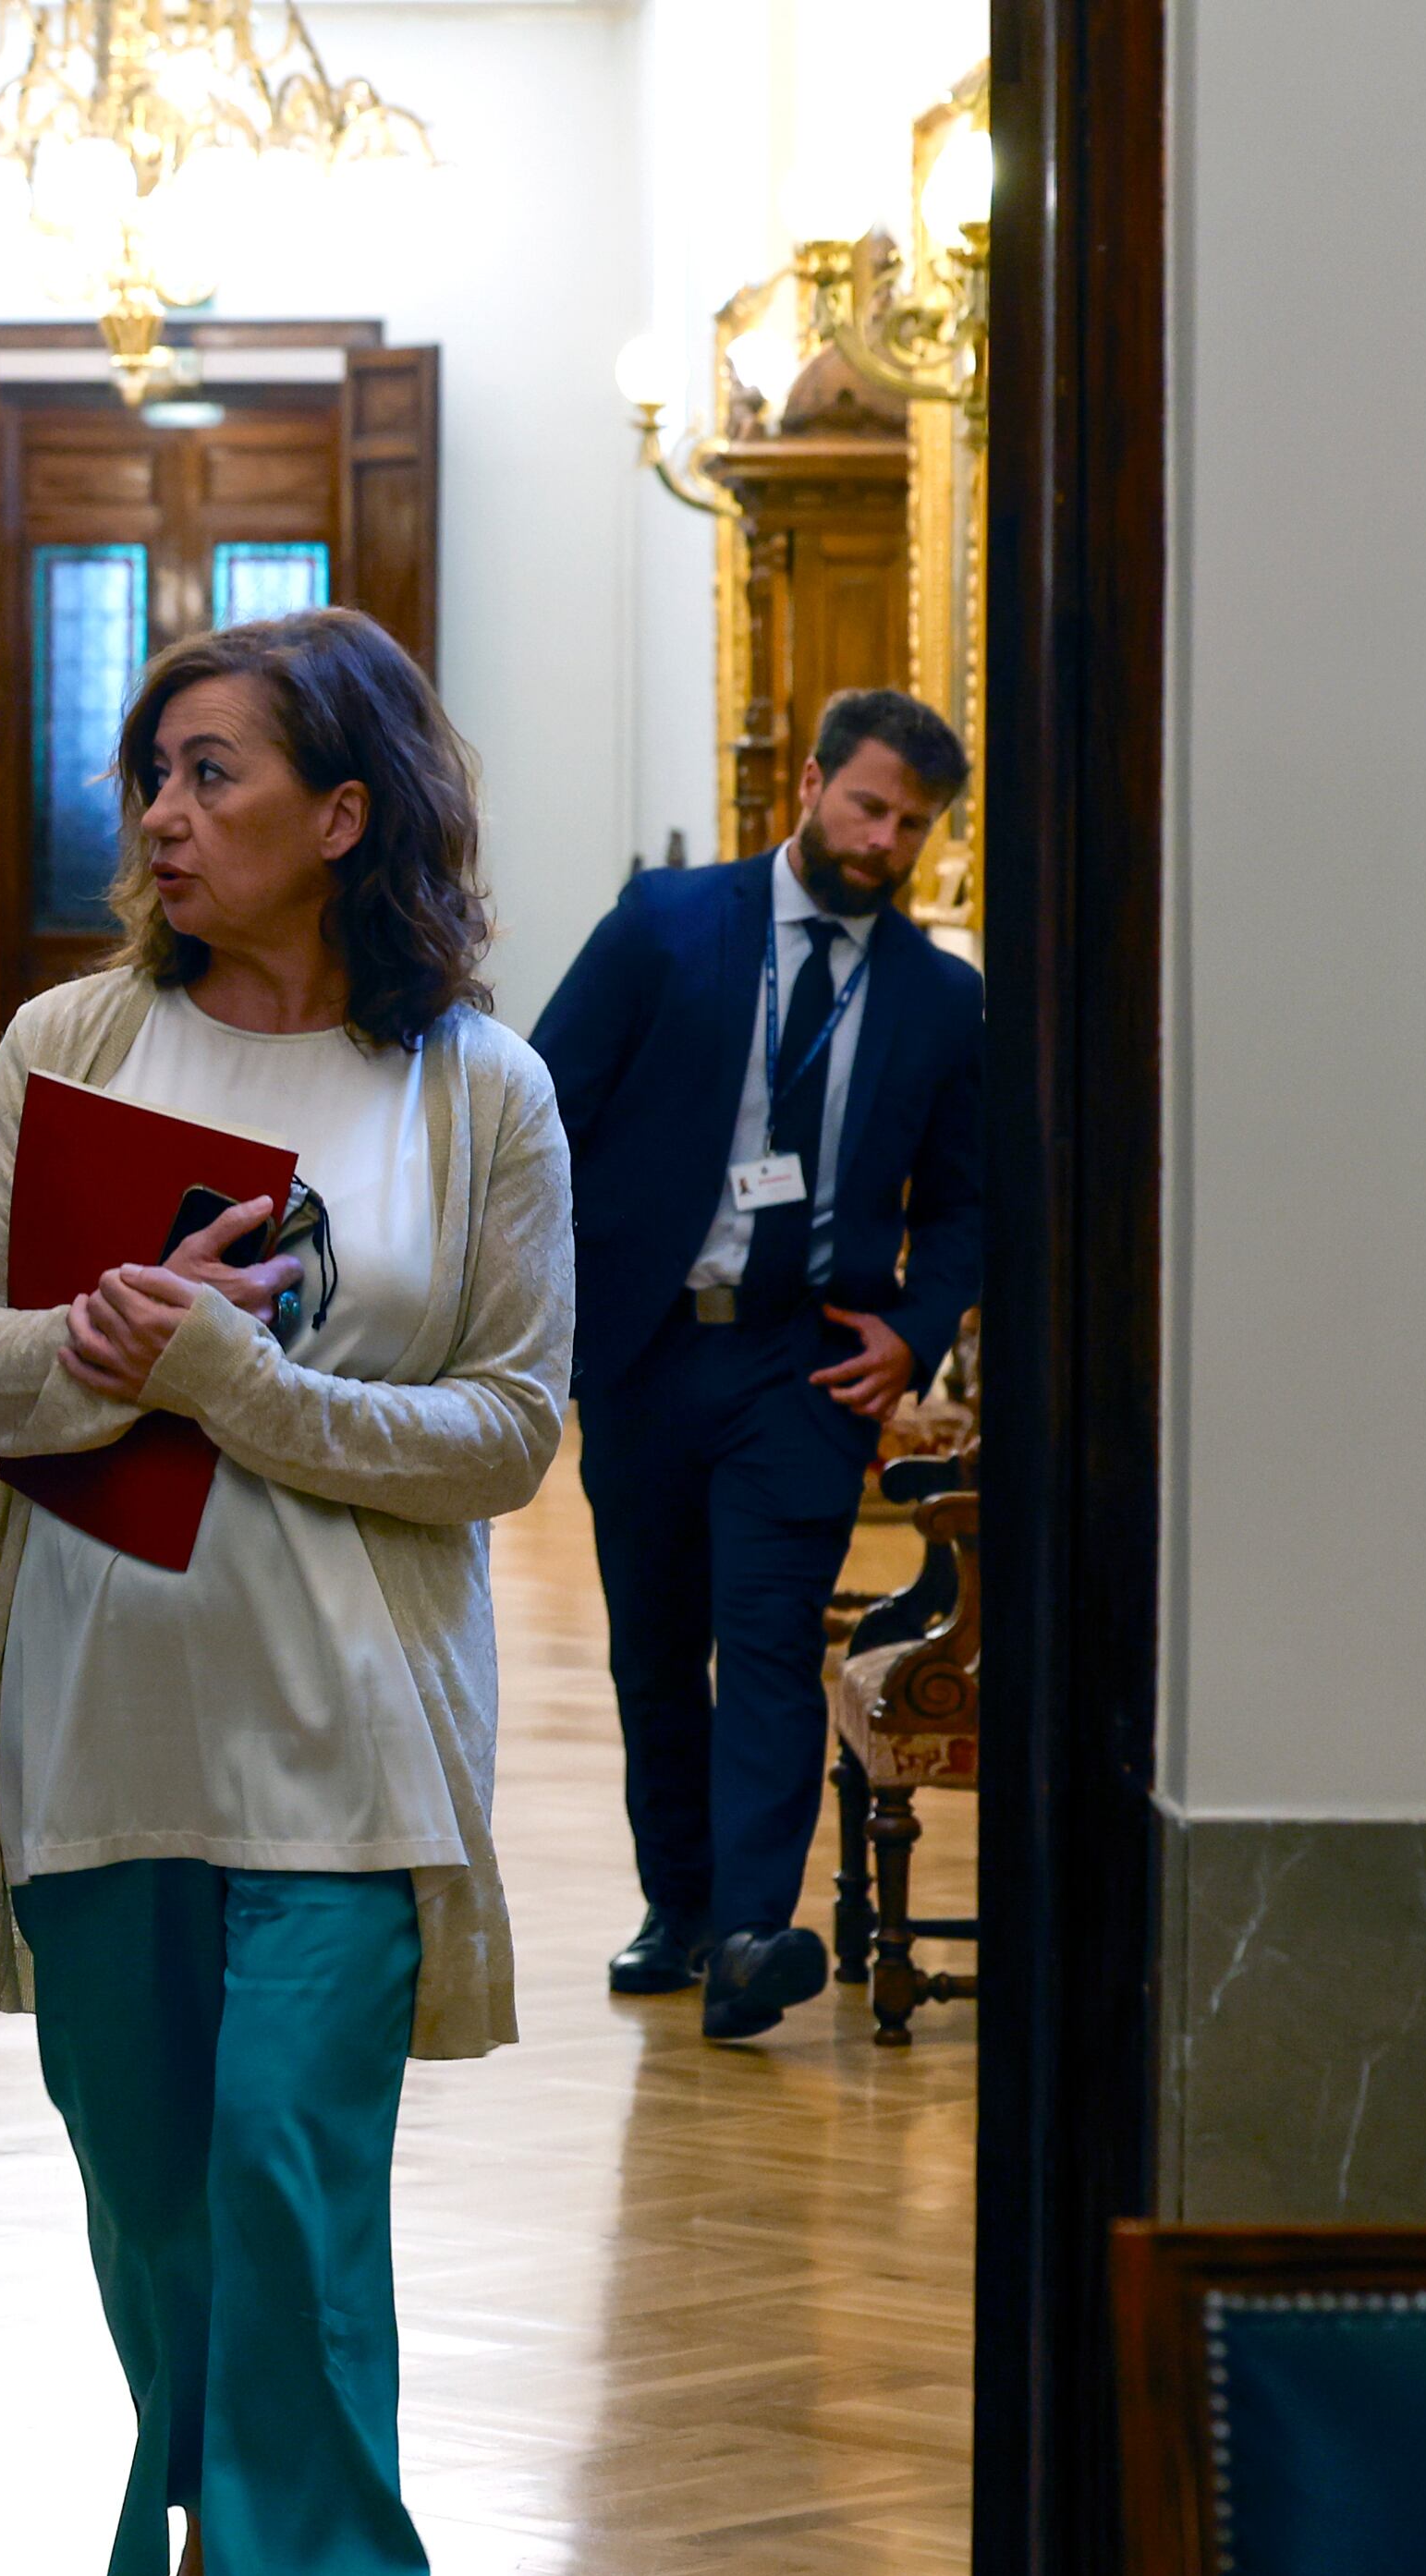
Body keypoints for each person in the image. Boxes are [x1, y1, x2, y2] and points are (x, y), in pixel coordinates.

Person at [0, 611, 573, 2576]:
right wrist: (90, 1348)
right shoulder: (69, 1043)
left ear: (344, 813)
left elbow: (509, 1431)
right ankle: (223, 2530)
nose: (163, 816)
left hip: (349, 1752)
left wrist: (243, 1388)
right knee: (160, 2208)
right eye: (153, 776)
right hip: (100, 1732)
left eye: (212, 774)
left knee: (290, 2189)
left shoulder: (476, 1090)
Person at [528, 688, 982, 2041]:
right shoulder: (666, 925)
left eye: (912, 825)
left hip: (808, 1361)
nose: (884, 840)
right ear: (812, 783)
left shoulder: (942, 999)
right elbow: (541, 1106)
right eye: (869, 806)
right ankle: (677, 1907)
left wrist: (916, 1329)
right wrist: (549, 1306)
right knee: (657, 1642)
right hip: (651, 1346)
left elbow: (967, 1204)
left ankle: (747, 1935)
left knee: (772, 1639)